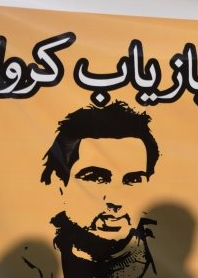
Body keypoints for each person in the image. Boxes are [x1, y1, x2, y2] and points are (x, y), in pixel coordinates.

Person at [36, 101, 160, 277]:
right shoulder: (32, 265)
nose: (115, 202)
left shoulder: (166, 264)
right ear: (60, 184)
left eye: (132, 180)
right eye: (96, 178)